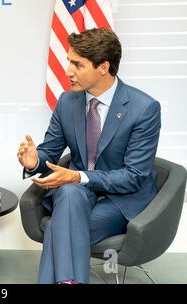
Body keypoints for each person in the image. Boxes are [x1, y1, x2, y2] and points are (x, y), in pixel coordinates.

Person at [17, 28, 161, 284]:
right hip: (76, 196)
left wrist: (78, 176)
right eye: (69, 62)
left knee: (56, 226)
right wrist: (34, 161)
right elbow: (50, 151)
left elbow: (134, 177)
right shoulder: (67, 101)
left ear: (103, 67)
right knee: (70, 193)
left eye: (77, 64)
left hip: (119, 200)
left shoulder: (144, 109)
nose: (68, 71)